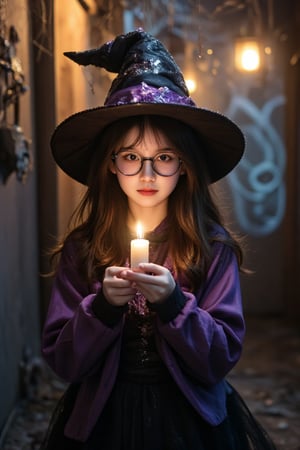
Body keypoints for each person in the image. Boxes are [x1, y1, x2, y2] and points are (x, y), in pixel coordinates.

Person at [40, 29, 276, 450]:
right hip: (103, 422)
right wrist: (103, 309)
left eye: (164, 158)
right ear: (111, 165)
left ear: (184, 166)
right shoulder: (84, 248)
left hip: (190, 422)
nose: (147, 175)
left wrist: (173, 304)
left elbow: (219, 357)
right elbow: (64, 360)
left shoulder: (210, 248)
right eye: (131, 157)